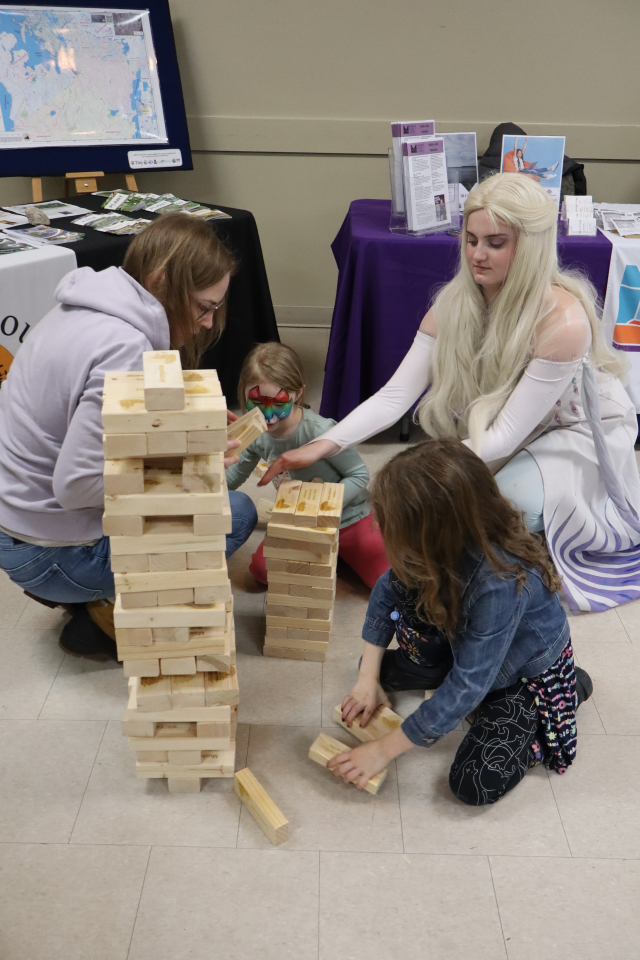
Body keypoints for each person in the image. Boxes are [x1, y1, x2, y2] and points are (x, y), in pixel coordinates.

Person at [260, 173, 640, 613]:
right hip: (510, 427)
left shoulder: (563, 322)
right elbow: (394, 396)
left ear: (532, 245)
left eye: (495, 242)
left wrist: (409, 482)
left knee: (501, 511)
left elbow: (503, 436)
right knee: (453, 511)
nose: (477, 255)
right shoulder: (455, 303)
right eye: (471, 239)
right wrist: (318, 446)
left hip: (573, 431)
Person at [0, 213, 258, 658]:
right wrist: (187, 472)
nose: (207, 324)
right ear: (161, 281)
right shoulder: (126, 348)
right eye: (204, 306)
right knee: (233, 512)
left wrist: (188, 424)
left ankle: (90, 594)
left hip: (17, 526)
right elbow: (76, 485)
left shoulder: (84, 306)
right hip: (49, 551)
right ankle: (102, 616)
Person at [327, 440, 593, 806]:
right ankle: (417, 674)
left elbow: (469, 685)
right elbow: (387, 595)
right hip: (466, 646)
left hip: (517, 677)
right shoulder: (436, 551)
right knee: (376, 663)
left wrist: (382, 750)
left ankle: (568, 690)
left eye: (390, 527)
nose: (381, 533)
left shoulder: (500, 583)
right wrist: (367, 679)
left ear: (433, 533)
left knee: (473, 783)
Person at [226, 342, 389, 588]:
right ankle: (328, 555)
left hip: (348, 518)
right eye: (257, 402)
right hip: (297, 521)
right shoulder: (255, 432)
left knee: (385, 582)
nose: (268, 414)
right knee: (261, 571)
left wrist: (322, 506)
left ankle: (343, 550)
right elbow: (232, 479)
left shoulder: (321, 430)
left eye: (279, 403)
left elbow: (359, 475)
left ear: (298, 393)